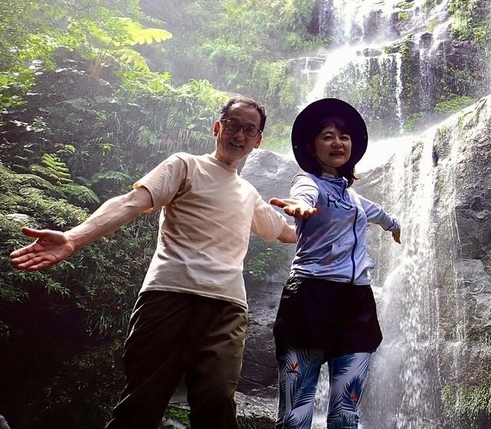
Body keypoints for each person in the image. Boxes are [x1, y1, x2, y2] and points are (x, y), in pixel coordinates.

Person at [9, 95, 297, 429]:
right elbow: (130, 203)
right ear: (217, 128)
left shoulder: (249, 194)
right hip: (168, 295)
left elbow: (287, 233)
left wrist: (338, 221)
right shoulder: (185, 165)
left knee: (218, 400)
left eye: (249, 130)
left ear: (258, 141)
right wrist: (74, 237)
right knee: (143, 402)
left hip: (227, 306)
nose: (239, 135)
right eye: (233, 126)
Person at [268, 97, 401, 429]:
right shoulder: (308, 183)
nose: (337, 142)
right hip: (310, 299)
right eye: (327, 136)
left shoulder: (356, 199)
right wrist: (298, 207)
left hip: (356, 305)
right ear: (312, 146)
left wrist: (395, 227)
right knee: (296, 414)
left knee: (346, 414)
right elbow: (303, 196)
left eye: (343, 136)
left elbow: (382, 215)